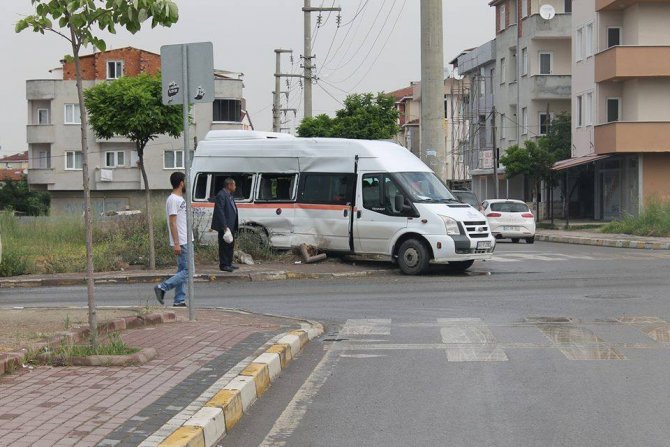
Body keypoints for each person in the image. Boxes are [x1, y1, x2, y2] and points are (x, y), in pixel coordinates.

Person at [154, 172, 189, 307]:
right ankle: (162, 287)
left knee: (182, 270)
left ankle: (179, 299)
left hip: (186, 239)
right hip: (181, 241)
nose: (186, 183)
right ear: (181, 183)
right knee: (188, 272)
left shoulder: (179, 199)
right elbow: (172, 222)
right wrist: (176, 243)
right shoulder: (173, 199)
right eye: (185, 181)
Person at [211, 178, 239, 272]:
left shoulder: (229, 195)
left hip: (231, 225)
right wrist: (224, 226)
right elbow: (220, 211)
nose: (235, 187)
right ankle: (224, 265)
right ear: (229, 185)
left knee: (230, 244)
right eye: (234, 185)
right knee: (224, 245)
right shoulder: (221, 195)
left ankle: (229, 263)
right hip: (225, 226)